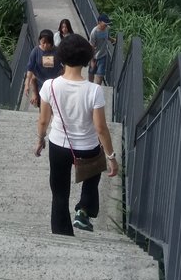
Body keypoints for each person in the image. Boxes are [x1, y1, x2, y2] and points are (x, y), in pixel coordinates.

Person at [34, 33, 118, 236]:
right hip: (88, 147)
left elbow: (43, 120)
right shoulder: (94, 90)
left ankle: (62, 233)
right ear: (87, 60)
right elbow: (100, 128)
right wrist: (111, 157)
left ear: (61, 57)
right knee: (91, 179)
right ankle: (83, 210)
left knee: (59, 192)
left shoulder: (50, 86)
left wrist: (40, 140)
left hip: (58, 145)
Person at [24, 29, 62, 107]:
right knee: (43, 107)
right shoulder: (36, 51)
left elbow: (66, 65)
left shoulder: (57, 51)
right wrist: (27, 84)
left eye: (48, 43)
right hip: (41, 84)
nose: (45, 45)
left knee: (55, 107)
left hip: (55, 84)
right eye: (43, 42)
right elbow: (30, 68)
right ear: (39, 41)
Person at [89, 13, 115, 85]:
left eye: (107, 24)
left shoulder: (106, 29)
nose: (106, 25)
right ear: (99, 22)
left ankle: (97, 90)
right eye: (105, 24)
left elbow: (107, 37)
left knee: (100, 75)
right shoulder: (94, 32)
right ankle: (90, 88)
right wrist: (92, 61)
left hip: (103, 55)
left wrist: (112, 40)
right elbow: (91, 46)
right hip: (94, 56)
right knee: (91, 73)